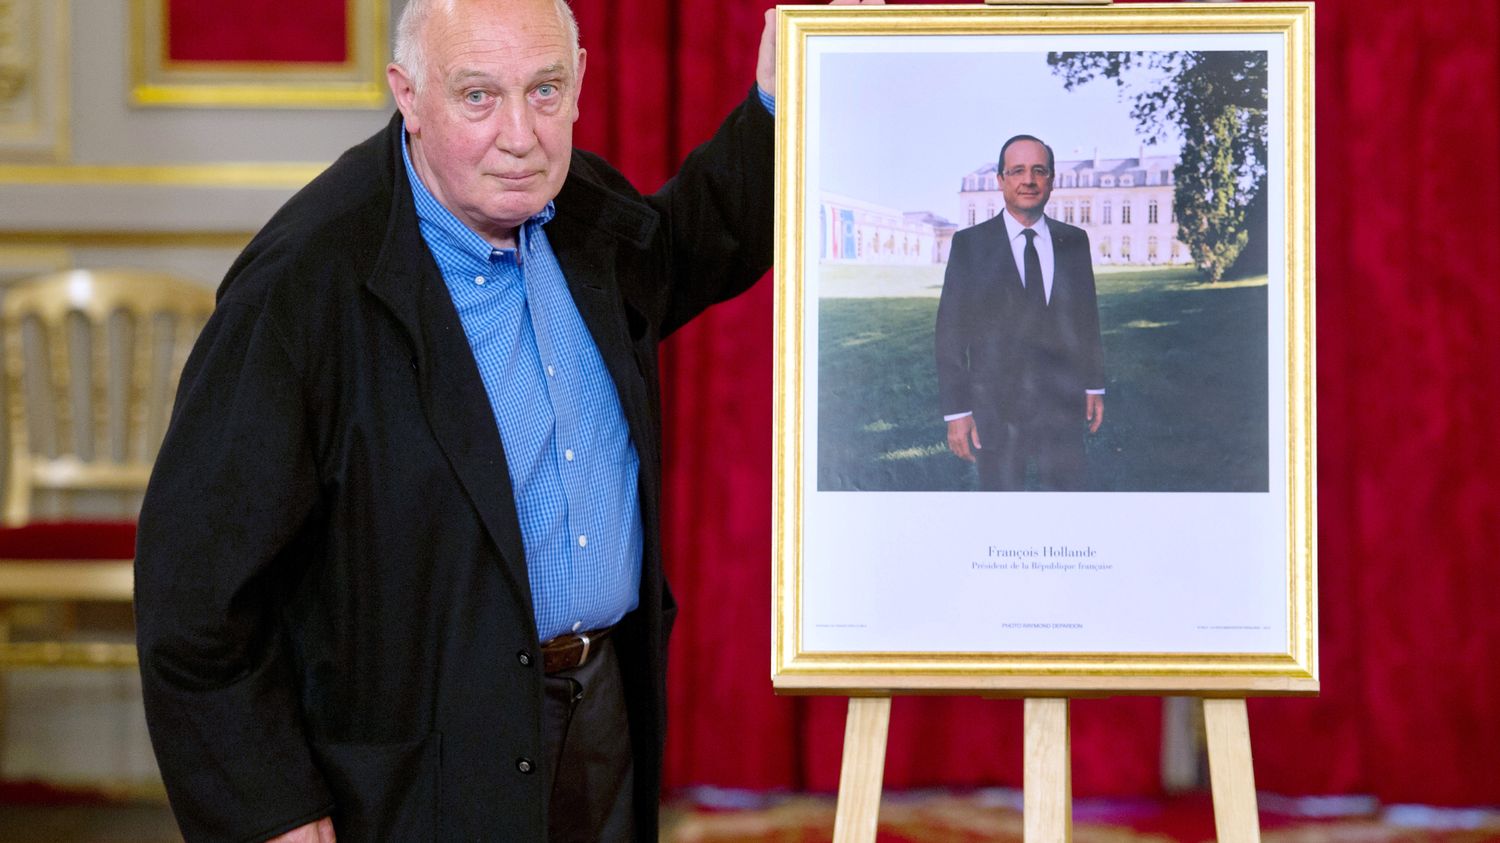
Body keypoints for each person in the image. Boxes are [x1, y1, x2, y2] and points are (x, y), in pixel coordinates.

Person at [132, 0, 877, 839]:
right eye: (479, 97)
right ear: (407, 96)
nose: (521, 135)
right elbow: (193, 593)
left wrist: (776, 101)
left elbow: (692, 243)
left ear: (582, 82)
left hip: (603, 718)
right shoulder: (302, 284)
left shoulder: (582, 210)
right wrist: (268, 807)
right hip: (419, 756)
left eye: (546, 91)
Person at [935, 134, 1106, 491]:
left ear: (1052, 180)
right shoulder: (970, 245)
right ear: (1000, 180)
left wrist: (1093, 385)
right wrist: (957, 413)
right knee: (1000, 510)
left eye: (1038, 170)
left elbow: (1086, 319)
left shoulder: (1074, 241)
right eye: (1017, 171)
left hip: (1063, 405)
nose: (1028, 180)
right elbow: (950, 334)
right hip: (995, 412)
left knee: (1066, 506)